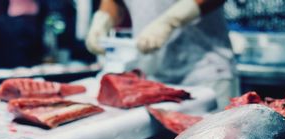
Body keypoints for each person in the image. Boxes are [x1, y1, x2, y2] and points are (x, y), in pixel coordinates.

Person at [86, 0, 240, 109]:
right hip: (152, 76)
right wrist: (103, 18)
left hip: (205, 72)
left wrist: (171, 20)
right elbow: (115, 2)